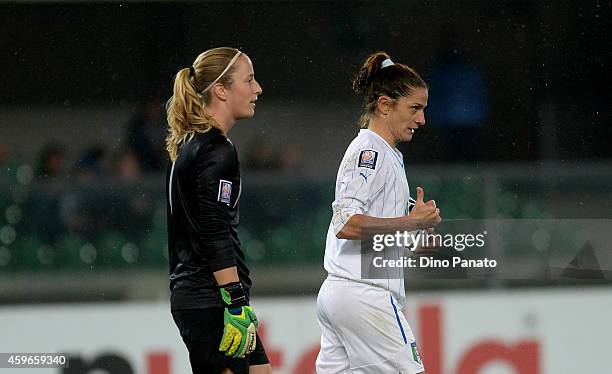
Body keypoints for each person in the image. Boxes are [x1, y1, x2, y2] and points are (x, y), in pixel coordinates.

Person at [316, 52, 442, 373]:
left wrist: (418, 230)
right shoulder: (369, 151)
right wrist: (412, 220)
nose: (421, 119)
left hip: (343, 293)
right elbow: (345, 223)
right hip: (364, 295)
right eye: (414, 108)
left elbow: (381, 230)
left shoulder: (388, 155)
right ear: (385, 105)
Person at [165, 47, 270, 374]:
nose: (258, 89)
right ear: (222, 90)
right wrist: (234, 300)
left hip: (203, 295)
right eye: (249, 80)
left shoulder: (194, 143)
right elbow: (214, 231)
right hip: (210, 297)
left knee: (261, 370)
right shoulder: (216, 150)